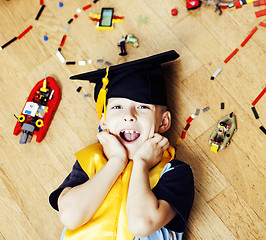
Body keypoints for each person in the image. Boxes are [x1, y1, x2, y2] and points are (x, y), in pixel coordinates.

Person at [49, 50, 194, 240]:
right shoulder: (90, 160)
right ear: (104, 122)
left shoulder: (174, 171)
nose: (129, 115)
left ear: (164, 122)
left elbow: (141, 224)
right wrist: (116, 162)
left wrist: (141, 163)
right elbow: (69, 216)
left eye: (143, 107)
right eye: (117, 107)